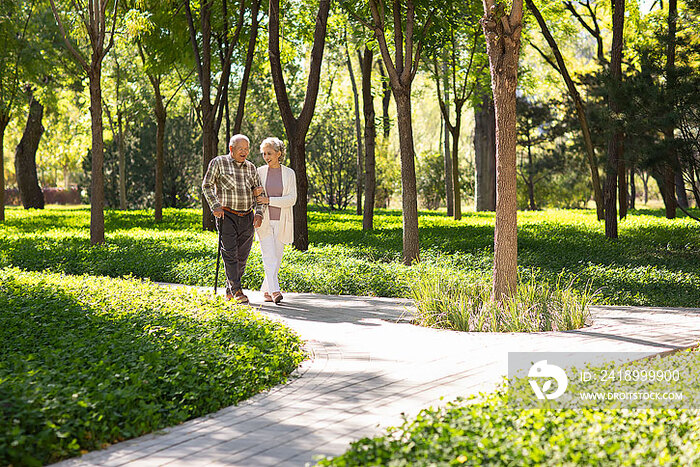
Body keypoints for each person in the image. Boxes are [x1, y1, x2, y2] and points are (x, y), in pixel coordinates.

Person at [202, 134, 265, 304]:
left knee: (242, 257)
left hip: (247, 216)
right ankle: (237, 290)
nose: (244, 152)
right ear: (231, 149)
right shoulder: (218, 162)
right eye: (240, 149)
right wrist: (215, 205)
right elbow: (206, 185)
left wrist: (259, 213)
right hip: (227, 215)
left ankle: (230, 288)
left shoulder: (251, 168)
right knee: (230, 253)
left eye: (246, 149)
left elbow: (260, 192)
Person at [254, 137, 297, 304]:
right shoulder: (259, 172)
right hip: (264, 221)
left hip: (283, 222)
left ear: (279, 153)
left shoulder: (289, 173)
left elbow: (291, 199)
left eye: (269, 153)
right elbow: (255, 195)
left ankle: (266, 290)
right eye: (264, 153)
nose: (266, 157)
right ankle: (275, 291)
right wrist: (257, 197)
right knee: (269, 257)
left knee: (277, 258)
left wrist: (268, 200)